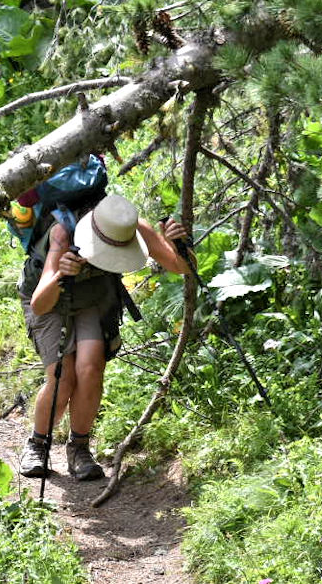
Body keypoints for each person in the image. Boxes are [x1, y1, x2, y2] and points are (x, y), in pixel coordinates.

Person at [19, 194, 192, 480]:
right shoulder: (63, 234)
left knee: (90, 368)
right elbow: (39, 304)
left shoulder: (128, 224)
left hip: (95, 293)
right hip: (50, 296)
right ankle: (37, 443)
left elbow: (181, 266)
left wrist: (178, 244)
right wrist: (61, 275)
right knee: (62, 378)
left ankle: (79, 448)